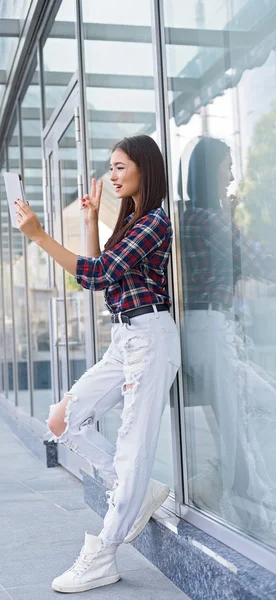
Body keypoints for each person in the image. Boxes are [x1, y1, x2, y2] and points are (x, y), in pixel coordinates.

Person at [16, 134, 181, 593]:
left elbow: (97, 273)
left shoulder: (154, 223)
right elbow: (100, 278)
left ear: (144, 169)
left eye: (120, 166)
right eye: (111, 167)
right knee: (61, 419)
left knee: (132, 449)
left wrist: (38, 235)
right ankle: (137, 492)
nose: (113, 175)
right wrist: (90, 221)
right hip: (125, 338)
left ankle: (103, 553)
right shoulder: (130, 225)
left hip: (151, 337)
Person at [179, 136, 276, 543]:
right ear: (210, 170)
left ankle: (233, 497)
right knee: (234, 424)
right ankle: (239, 508)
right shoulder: (209, 221)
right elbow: (254, 262)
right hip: (211, 331)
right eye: (228, 165)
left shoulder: (192, 218)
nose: (233, 173)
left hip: (203, 330)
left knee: (250, 409)